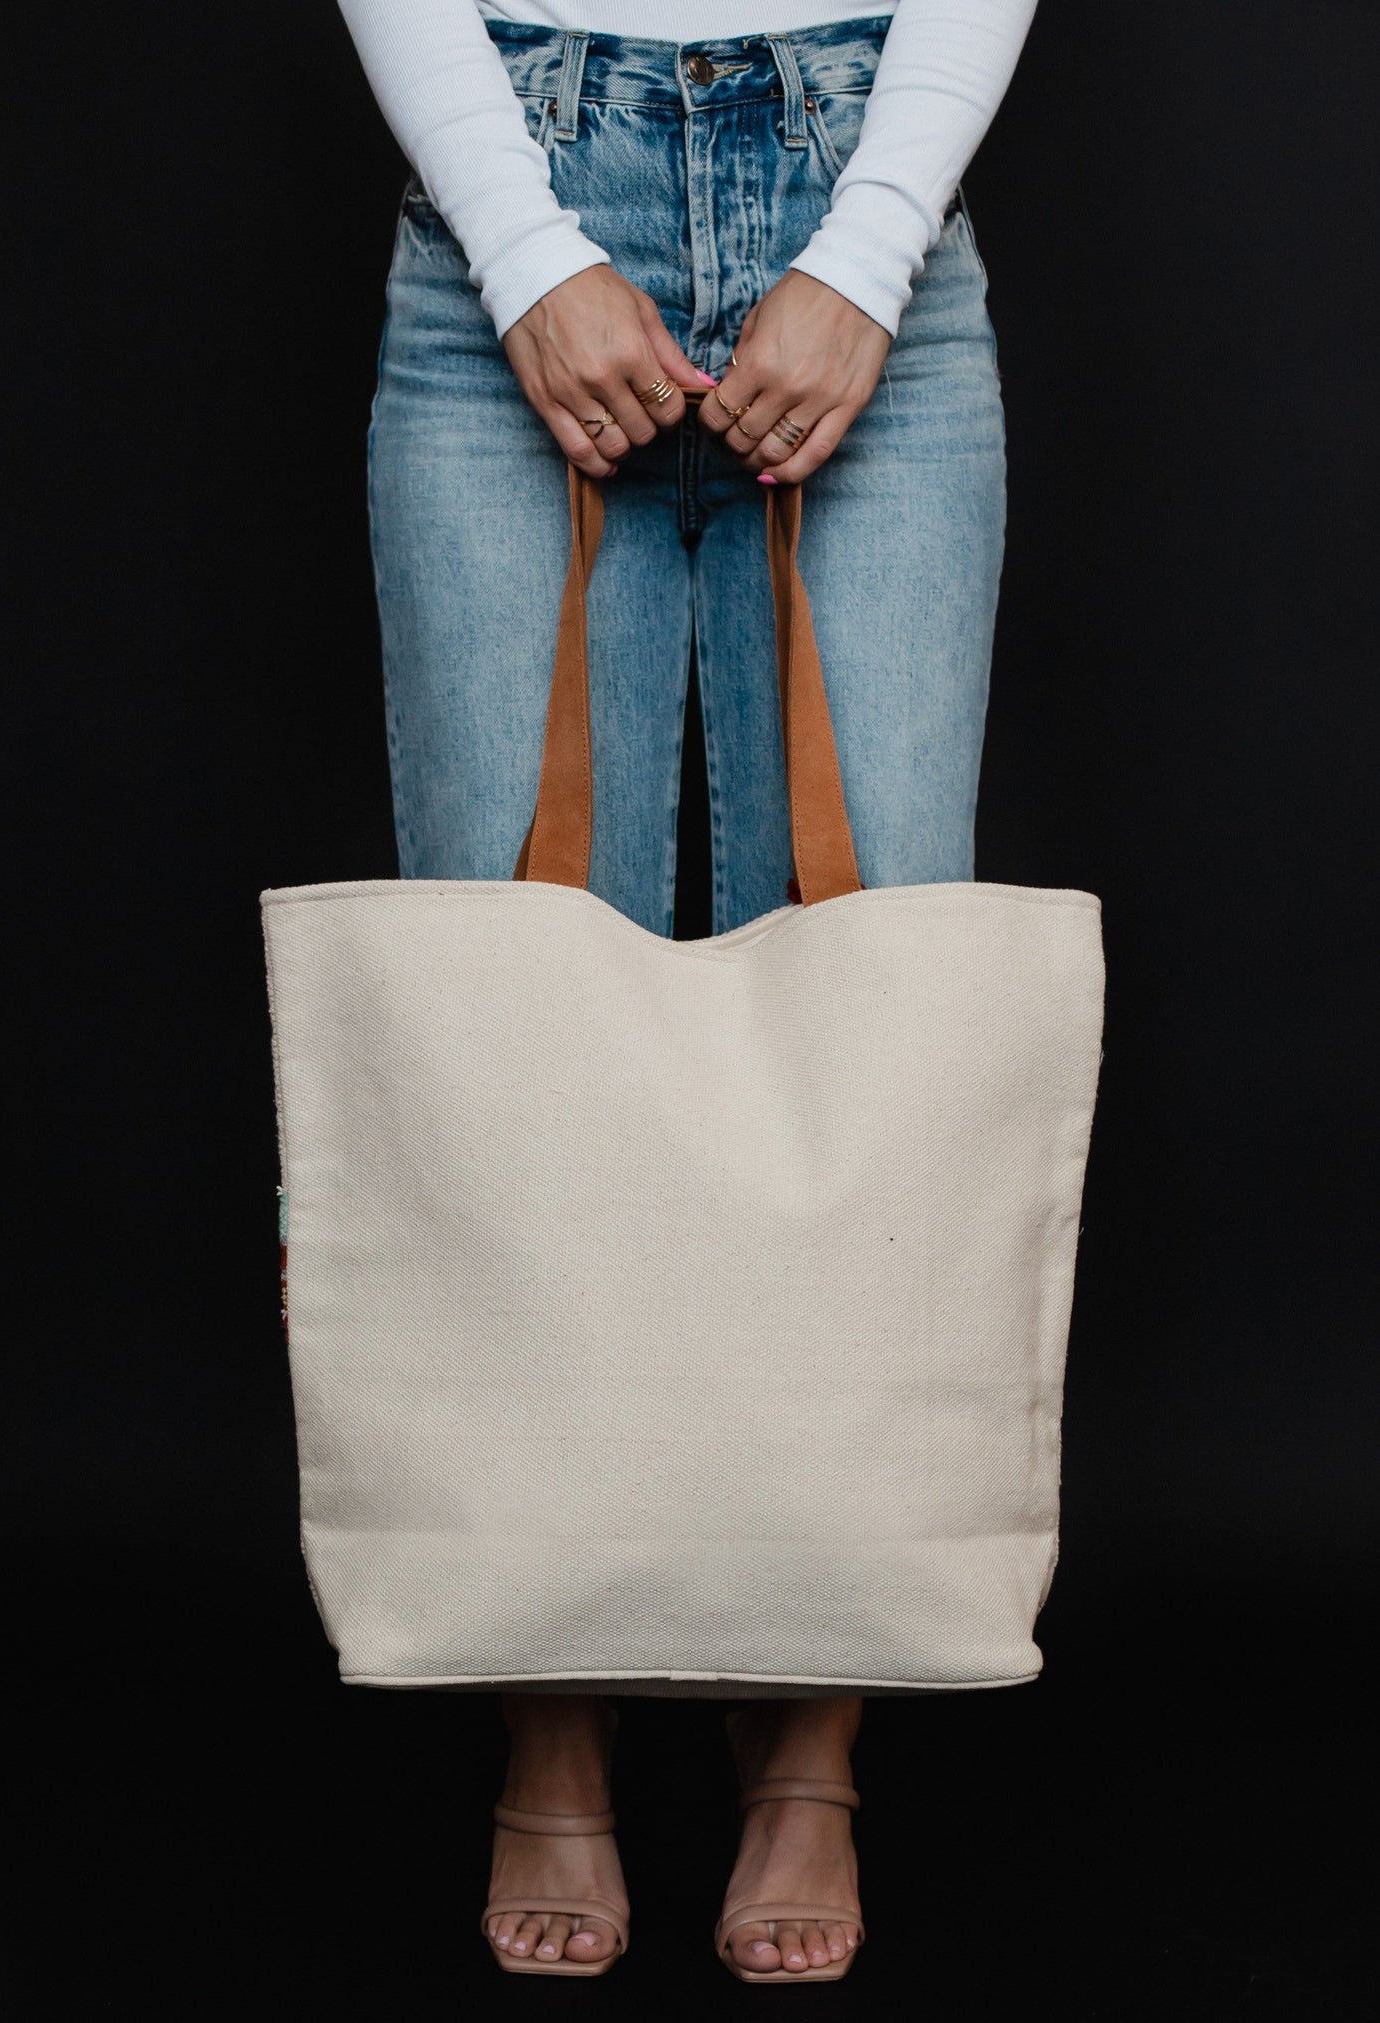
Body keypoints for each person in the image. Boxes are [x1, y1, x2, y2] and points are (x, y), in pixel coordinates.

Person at [336, 0, 1037, 1981]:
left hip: (862, 167)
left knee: (885, 1018)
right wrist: (530, 245)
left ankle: (811, 1732)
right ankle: (546, 1710)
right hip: (521, 185)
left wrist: (869, 242)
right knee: (510, 1032)